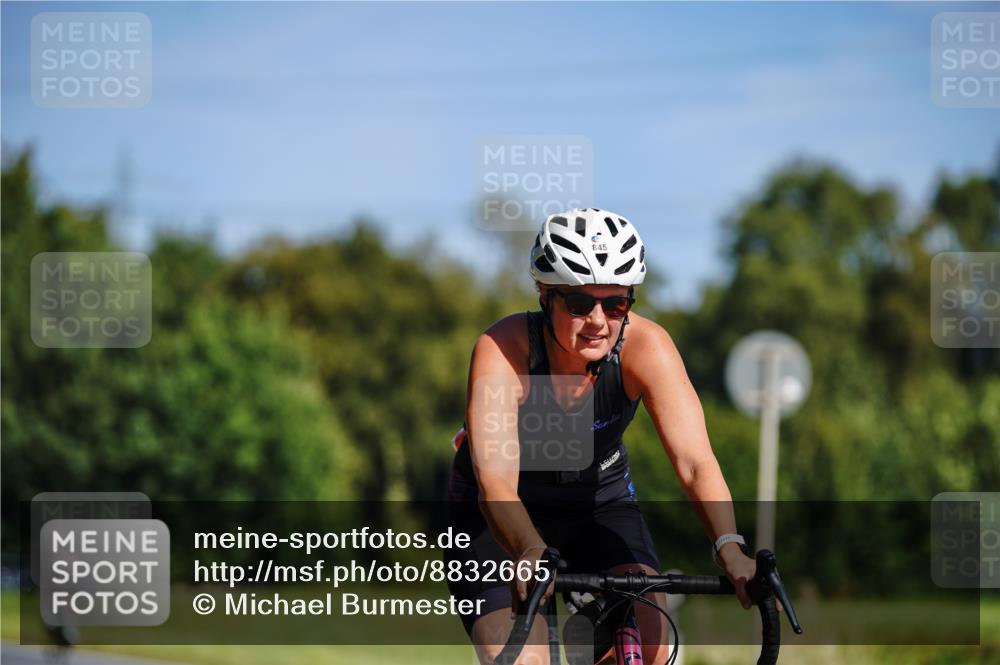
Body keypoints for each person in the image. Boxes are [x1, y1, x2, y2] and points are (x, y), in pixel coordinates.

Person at [445, 208, 755, 665]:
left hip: (598, 500)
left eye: (615, 304)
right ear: (545, 295)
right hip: (496, 515)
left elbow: (695, 463)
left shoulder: (646, 347)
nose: (597, 320)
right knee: (522, 659)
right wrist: (530, 549)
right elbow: (495, 483)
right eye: (578, 303)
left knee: (652, 643)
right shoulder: (503, 349)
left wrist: (729, 546)